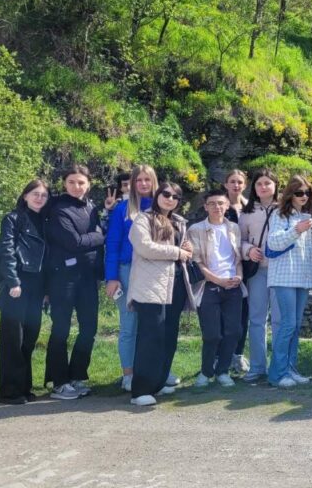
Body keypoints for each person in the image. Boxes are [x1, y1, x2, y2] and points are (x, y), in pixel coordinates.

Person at [127, 183, 194, 406]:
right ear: (157, 195)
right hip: (150, 286)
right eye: (166, 194)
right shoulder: (143, 219)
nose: (170, 198)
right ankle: (140, 391)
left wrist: (187, 249)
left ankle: (159, 381)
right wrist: (178, 252)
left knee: (168, 336)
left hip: (175, 284)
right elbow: (144, 247)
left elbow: (184, 250)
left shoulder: (179, 222)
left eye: (176, 197)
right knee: (150, 336)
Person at [45, 165, 105, 400]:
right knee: (61, 329)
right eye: (71, 182)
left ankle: (76, 377)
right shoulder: (58, 209)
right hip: (64, 278)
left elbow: (85, 241)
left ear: (88, 184)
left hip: (87, 277)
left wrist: (94, 237)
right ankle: (59, 383)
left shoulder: (91, 207)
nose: (76, 186)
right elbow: (74, 243)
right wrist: (99, 236)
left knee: (89, 329)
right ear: (64, 183)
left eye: (81, 182)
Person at [0, 179, 50, 405]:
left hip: (37, 287)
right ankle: (9, 391)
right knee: (12, 341)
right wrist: (13, 282)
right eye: (35, 193)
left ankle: (24, 387)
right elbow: (6, 251)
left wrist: (46, 290)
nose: (39, 198)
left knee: (28, 339)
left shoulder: (45, 221)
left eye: (44, 195)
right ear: (25, 195)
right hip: (16, 286)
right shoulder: (13, 218)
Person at [105, 164, 158, 392]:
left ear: (154, 182)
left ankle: (156, 370)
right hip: (127, 270)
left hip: (154, 271)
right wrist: (111, 277)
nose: (143, 184)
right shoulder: (122, 209)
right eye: (139, 180)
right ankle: (128, 374)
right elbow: (112, 243)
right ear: (133, 183)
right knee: (129, 324)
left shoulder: (161, 206)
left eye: (147, 179)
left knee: (153, 324)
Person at [188, 189, 246, 388]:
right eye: (212, 203)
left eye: (220, 203)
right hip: (209, 285)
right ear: (205, 207)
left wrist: (239, 276)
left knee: (234, 331)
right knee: (212, 334)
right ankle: (206, 372)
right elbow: (197, 262)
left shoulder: (234, 228)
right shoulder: (196, 229)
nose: (217, 207)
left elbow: (238, 258)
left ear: (227, 205)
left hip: (233, 285)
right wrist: (218, 280)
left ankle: (223, 371)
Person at [267, 176, 312, 388]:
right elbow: (273, 242)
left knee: (295, 326)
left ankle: (290, 369)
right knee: (288, 324)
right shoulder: (280, 214)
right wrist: (297, 230)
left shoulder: (309, 215)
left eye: (307, 193)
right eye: (299, 193)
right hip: (284, 276)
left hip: (302, 277)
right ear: (290, 194)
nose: (304, 196)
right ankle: (277, 374)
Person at [239, 169, 281, 383]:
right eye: (259, 184)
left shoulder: (285, 209)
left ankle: (279, 366)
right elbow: (239, 240)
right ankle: (257, 367)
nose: (263, 187)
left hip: (281, 271)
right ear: (254, 188)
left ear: (275, 185)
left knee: (280, 320)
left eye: (267, 183)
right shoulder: (246, 213)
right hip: (258, 271)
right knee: (256, 319)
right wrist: (248, 250)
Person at [222, 169, 250, 374]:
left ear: (245, 185)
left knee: (243, 313)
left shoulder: (250, 207)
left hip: (247, 265)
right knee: (223, 314)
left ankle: (237, 355)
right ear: (226, 184)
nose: (236, 185)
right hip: (224, 264)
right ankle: (219, 357)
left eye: (239, 182)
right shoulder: (219, 205)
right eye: (232, 181)